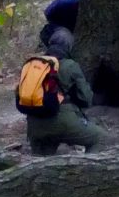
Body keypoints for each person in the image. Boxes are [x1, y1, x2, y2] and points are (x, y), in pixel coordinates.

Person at [18, 20, 106, 156]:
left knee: (40, 165)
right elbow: (86, 98)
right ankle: (89, 173)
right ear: (69, 47)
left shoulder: (34, 64)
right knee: (100, 138)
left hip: (35, 127)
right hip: (62, 121)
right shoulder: (70, 65)